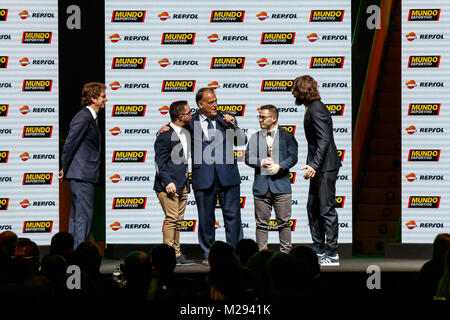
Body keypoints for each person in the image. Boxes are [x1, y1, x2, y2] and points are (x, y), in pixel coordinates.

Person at [188, 88, 247, 265]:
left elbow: (241, 141)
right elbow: (175, 129)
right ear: (200, 104)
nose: (215, 105)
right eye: (211, 102)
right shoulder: (191, 121)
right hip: (203, 177)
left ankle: (235, 253)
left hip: (227, 176)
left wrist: (234, 125)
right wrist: (166, 128)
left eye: (215, 101)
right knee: (206, 218)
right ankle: (208, 254)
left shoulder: (225, 118)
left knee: (233, 217)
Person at [292, 75, 341, 265]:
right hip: (321, 165)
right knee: (312, 207)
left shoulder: (316, 108)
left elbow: (324, 139)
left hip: (325, 166)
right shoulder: (312, 108)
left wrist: (314, 164)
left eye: (294, 88)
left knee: (326, 209)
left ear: (302, 90)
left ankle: (333, 253)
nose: (292, 92)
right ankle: (319, 250)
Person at [58, 82, 107, 248]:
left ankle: (72, 253)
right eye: (102, 96)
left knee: (77, 217)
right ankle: (79, 255)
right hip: (81, 174)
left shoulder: (89, 117)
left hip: (81, 174)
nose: (106, 99)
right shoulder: (84, 117)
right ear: (93, 98)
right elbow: (70, 144)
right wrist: (64, 167)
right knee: (83, 217)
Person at [245, 105, 298, 253]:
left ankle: (286, 255)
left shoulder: (287, 136)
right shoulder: (255, 136)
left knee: (284, 223)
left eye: (263, 117)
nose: (260, 120)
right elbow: (248, 158)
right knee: (261, 225)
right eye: (259, 117)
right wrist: (261, 162)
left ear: (274, 118)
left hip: (282, 187)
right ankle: (262, 255)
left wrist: (280, 167)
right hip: (261, 187)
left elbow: (293, 157)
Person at [154, 100, 194, 266]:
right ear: (181, 116)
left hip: (183, 183)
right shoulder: (164, 135)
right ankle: (168, 256)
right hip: (168, 186)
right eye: (189, 112)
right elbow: (159, 162)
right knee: (171, 219)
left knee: (177, 220)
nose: (192, 114)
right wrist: (167, 181)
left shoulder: (186, 130)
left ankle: (176, 254)